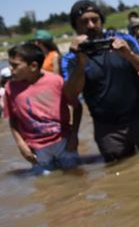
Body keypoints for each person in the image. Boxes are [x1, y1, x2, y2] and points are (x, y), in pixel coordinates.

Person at [63, 0, 139, 162]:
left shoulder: (123, 40)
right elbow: (71, 95)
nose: (91, 25)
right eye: (84, 22)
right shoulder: (71, 58)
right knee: (118, 169)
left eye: (95, 20)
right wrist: (81, 62)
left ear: (101, 21)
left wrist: (128, 55)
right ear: (76, 27)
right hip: (109, 130)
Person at [4, 43, 81, 172]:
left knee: (75, 175)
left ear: (33, 66)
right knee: (45, 184)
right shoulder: (10, 88)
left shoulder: (56, 81)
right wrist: (21, 145)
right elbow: (13, 119)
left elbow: (77, 107)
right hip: (36, 148)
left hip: (64, 142)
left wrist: (74, 136)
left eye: (15, 66)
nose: (11, 69)